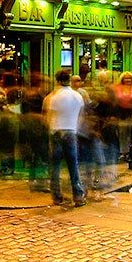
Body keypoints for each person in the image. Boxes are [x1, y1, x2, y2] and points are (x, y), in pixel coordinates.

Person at [46, 70, 86, 207]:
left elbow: (49, 116)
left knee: (55, 165)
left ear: (57, 80)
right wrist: (76, 127)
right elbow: (81, 116)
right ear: (69, 80)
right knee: (73, 164)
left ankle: (57, 196)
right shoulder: (77, 96)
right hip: (71, 131)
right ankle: (78, 195)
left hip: (56, 131)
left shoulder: (54, 97)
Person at [114, 71, 132, 168]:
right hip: (121, 113)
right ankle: (123, 152)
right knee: (122, 133)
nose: (128, 80)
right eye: (126, 78)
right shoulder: (118, 88)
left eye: (129, 78)